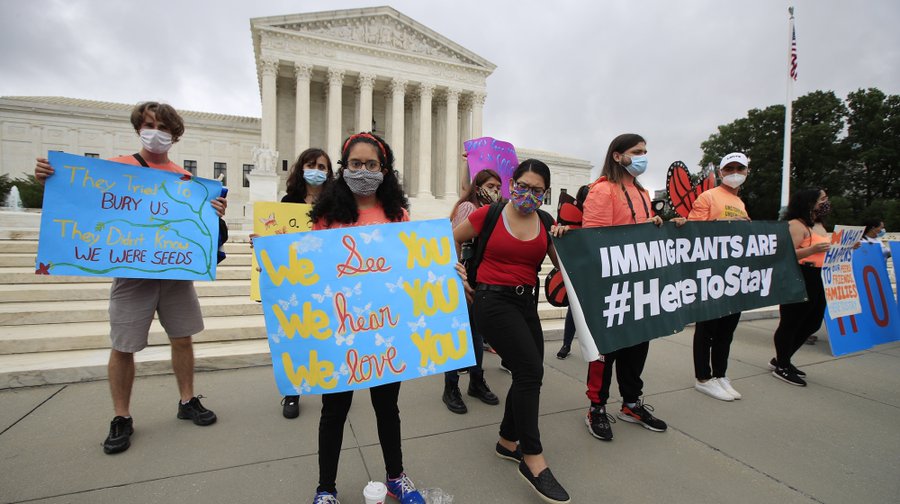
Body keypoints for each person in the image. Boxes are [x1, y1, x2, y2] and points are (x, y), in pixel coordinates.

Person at [33, 101, 228, 454]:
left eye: (163, 127)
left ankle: (187, 400)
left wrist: (214, 212)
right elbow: (80, 202)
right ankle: (121, 416)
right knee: (123, 346)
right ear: (139, 127)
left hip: (175, 273)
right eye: (150, 124)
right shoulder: (116, 169)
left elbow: (199, 229)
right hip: (131, 273)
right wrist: (52, 178)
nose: (156, 133)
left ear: (175, 135)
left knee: (182, 338)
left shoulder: (185, 180)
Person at [307, 132, 424, 504]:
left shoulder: (397, 215)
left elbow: (411, 265)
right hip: (341, 329)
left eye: (371, 165)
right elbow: (310, 267)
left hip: (384, 330)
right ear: (344, 169)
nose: (362, 171)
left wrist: (444, 270)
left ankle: (396, 477)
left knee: (387, 408)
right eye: (355, 164)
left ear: (384, 170)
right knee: (334, 410)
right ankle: (326, 488)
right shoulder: (327, 217)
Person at [454, 159, 571, 504]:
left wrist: (564, 237)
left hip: (526, 303)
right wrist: (458, 273)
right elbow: (446, 239)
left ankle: (508, 441)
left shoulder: (546, 222)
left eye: (536, 190)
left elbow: (566, 260)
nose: (528, 194)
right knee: (530, 371)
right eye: (522, 186)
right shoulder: (487, 215)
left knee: (529, 372)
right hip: (491, 300)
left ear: (545, 193)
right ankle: (532, 459)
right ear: (511, 184)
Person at [580, 133, 683, 442]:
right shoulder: (602, 191)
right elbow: (595, 241)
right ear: (617, 156)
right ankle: (596, 408)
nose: (642, 156)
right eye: (637, 151)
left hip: (640, 286)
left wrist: (661, 224)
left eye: (645, 151)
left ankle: (631, 403)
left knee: (637, 345)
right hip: (610, 287)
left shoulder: (640, 191)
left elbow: (642, 231)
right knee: (605, 350)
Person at [688, 152, 751, 401]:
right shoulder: (708, 197)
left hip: (734, 275)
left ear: (746, 172)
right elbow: (693, 234)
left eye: (740, 168)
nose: (735, 172)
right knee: (707, 329)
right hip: (712, 275)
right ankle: (703, 377)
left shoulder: (740, 203)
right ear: (722, 171)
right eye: (730, 167)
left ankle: (720, 374)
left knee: (727, 329)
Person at [278, 148, 333, 419]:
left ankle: (331, 383)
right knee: (296, 337)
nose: (317, 171)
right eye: (312, 165)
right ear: (301, 168)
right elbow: (278, 235)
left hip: (328, 278)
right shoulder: (289, 201)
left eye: (323, 167)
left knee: (327, 334)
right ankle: (292, 391)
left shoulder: (336, 202)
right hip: (298, 278)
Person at [441, 169, 502, 414]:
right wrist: (459, 278)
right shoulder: (469, 208)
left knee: (476, 335)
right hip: (464, 279)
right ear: (479, 188)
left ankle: (476, 381)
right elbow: (454, 241)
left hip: (480, 280)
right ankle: (451, 387)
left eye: (498, 186)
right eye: (490, 185)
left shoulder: (493, 211)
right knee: (459, 336)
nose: (495, 190)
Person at [769, 188, 832, 386]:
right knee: (791, 321)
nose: (826, 202)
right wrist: (811, 250)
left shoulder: (819, 224)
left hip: (818, 276)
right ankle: (783, 365)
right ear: (809, 202)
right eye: (822, 199)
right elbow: (784, 254)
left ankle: (783, 358)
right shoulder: (796, 225)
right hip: (800, 275)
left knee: (813, 322)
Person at [555, 184, 590, 360]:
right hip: (580, 269)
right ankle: (566, 343)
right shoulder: (574, 220)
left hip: (597, 269)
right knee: (574, 309)